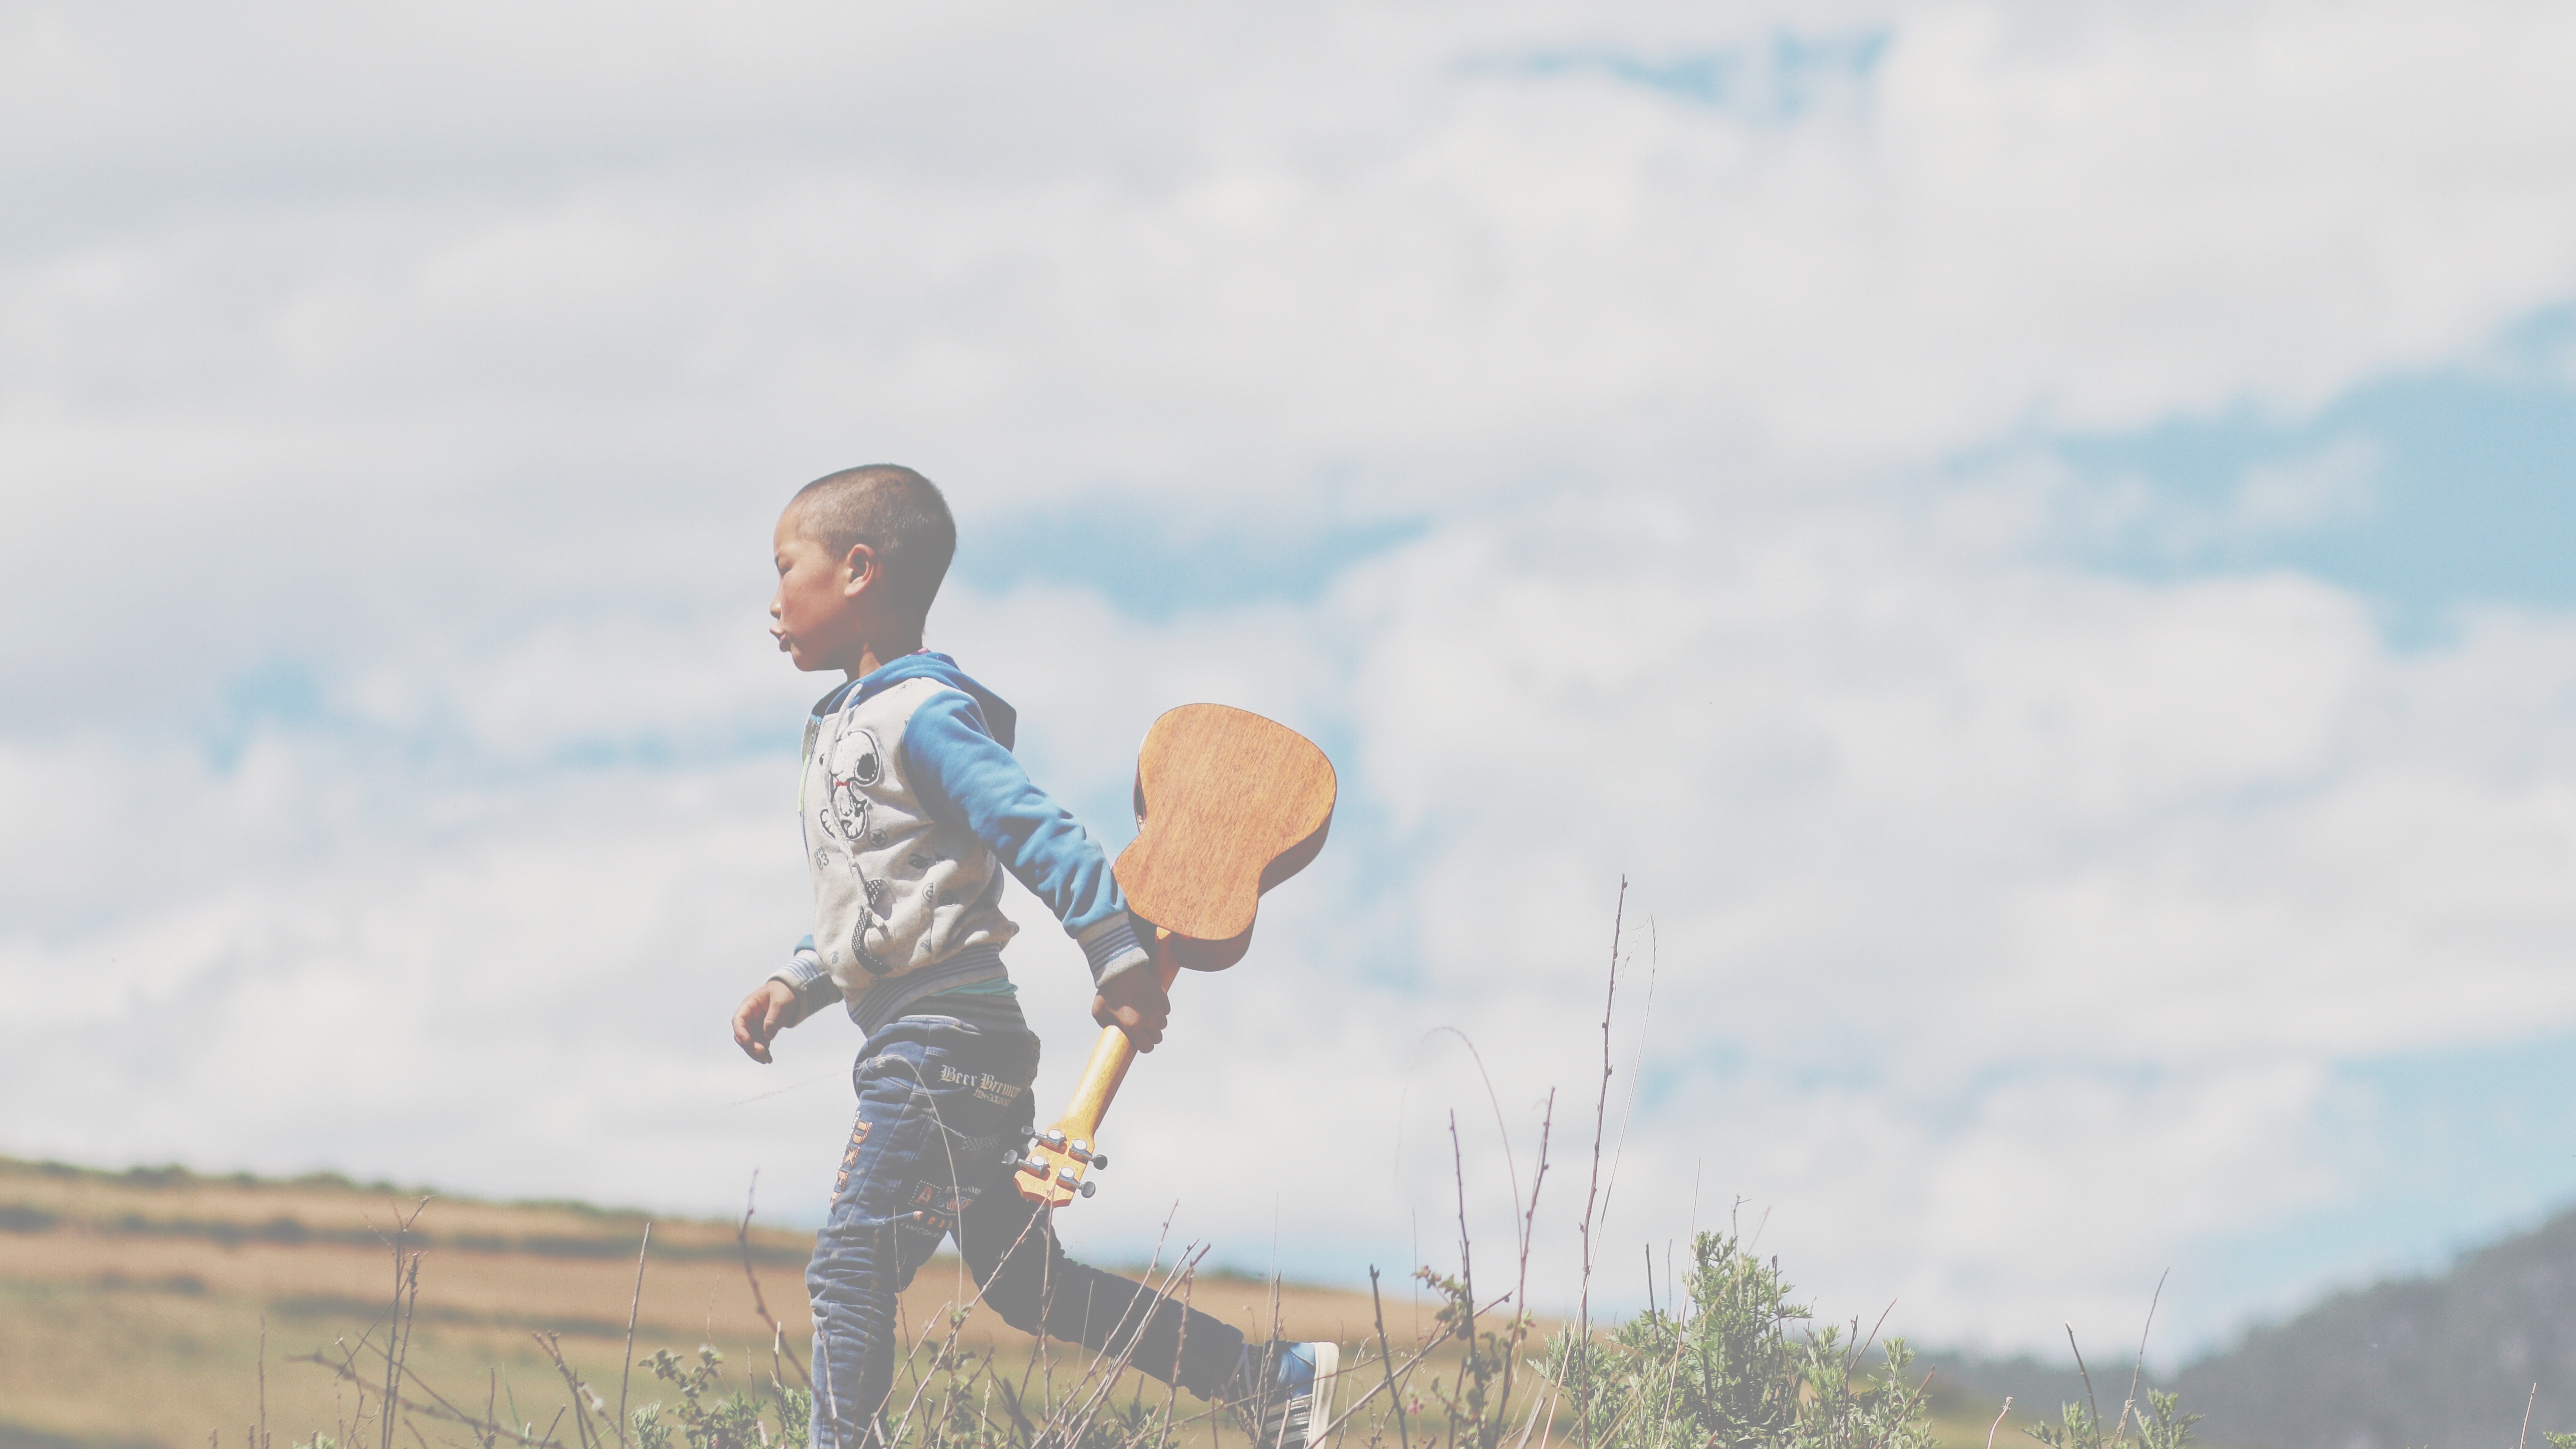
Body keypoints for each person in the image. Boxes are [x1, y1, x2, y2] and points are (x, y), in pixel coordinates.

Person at [730, 465, 1337, 1449]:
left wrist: (1117, 956)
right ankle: (1270, 1379)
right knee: (1028, 1286)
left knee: (851, 1263)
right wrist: (797, 981)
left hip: (937, 1045)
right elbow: (874, 897)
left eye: (784, 566)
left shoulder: (920, 715)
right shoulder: (848, 724)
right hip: (951, 1043)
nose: (771, 597)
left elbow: (1037, 828)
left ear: (857, 570)